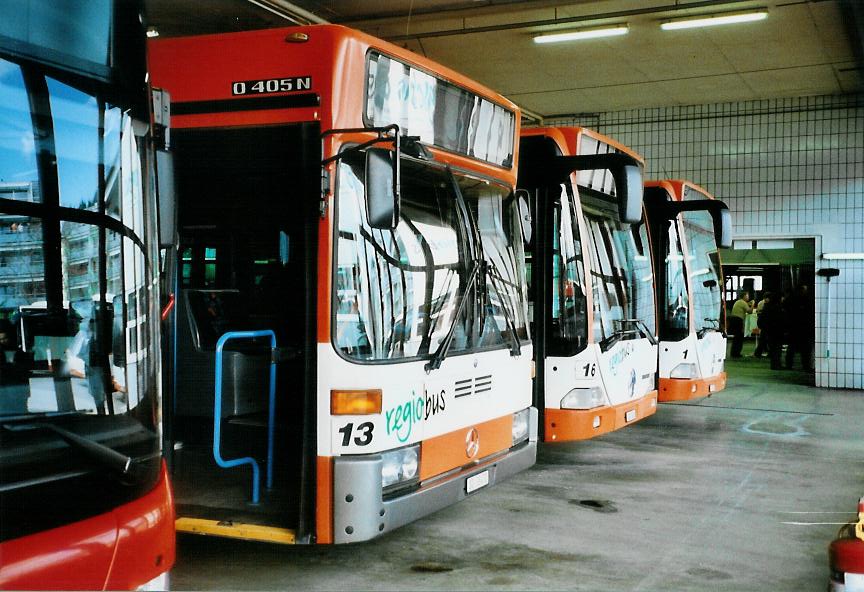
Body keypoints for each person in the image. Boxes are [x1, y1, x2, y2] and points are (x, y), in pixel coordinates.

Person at [784, 284, 814, 371]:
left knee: (791, 348)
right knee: (805, 349)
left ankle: (789, 365)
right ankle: (806, 366)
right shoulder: (806, 300)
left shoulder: (790, 299)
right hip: (804, 327)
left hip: (793, 327)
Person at [757, 292, 783, 369]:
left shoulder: (766, 307)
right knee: (777, 348)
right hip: (777, 330)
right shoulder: (778, 307)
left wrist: (763, 327)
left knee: (773, 348)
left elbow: (761, 320)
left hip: (769, 330)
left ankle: (774, 364)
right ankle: (777, 365)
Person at [728, 290, 753, 358]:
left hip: (734, 320)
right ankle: (736, 353)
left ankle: (734, 353)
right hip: (738, 320)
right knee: (739, 338)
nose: (748, 297)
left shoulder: (739, 302)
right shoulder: (743, 302)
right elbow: (749, 311)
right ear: (744, 296)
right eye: (747, 295)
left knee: (736, 337)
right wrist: (753, 304)